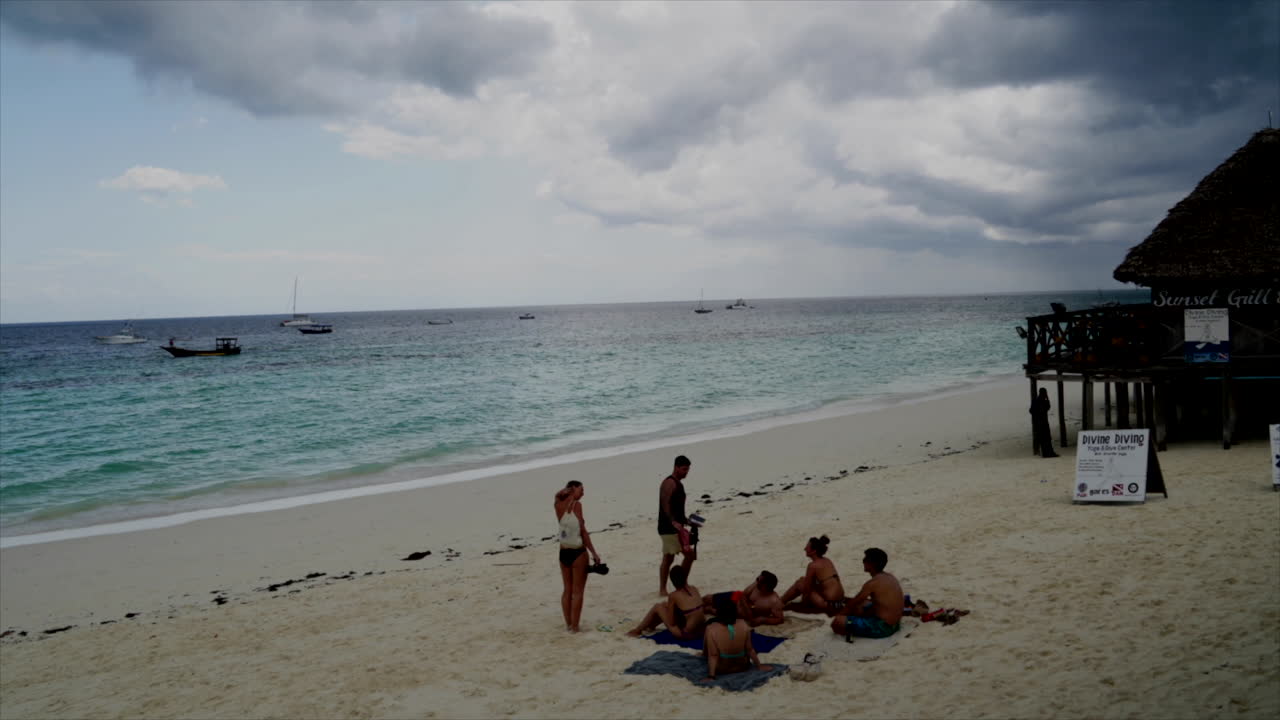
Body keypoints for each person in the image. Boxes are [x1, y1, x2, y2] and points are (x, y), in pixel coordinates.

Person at [554, 480, 601, 633]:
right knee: (578, 591)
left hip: (563, 551)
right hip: (577, 552)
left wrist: (564, 492)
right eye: (581, 489)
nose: (583, 493)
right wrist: (594, 553)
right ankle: (575, 626)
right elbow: (583, 531)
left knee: (567, 590)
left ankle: (568, 624)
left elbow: (557, 495)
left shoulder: (557, 504)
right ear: (572, 489)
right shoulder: (577, 505)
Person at [830, 547, 904, 640]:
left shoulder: (872, 584)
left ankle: (851, 628)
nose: (863, 561)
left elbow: (852, 605)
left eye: (865, 559)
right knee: (862, 604)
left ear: (872, 564)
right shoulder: (889, 577)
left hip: (884, 628)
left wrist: (840, 616)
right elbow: (858, 601)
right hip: (895, 624)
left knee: (838, 622)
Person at [701, 592, 773, 682]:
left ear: (718, 613)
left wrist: (711, 676)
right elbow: (750, 649)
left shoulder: (711, 629)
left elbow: (713, 655)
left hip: (722, 669)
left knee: (710, 646)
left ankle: (703, 655)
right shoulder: (743, 624)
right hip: (743, 666)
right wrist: (759, 665)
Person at [627, 565, 704, 639]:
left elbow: (671, 622)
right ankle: (651, 625)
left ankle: (637, 630)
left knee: (658, 607)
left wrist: (666, 609)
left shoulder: (673, 595)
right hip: (701, 631)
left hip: (686, 634)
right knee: (667, 606)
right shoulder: (694, 588)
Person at [657, 455, 695, 595]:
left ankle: (682, 583)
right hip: (668, 528)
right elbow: (664, 503)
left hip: (677, 526)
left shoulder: (679, 484)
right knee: (669, 558)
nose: (686, 472)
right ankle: (663, 589)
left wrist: (687, 521)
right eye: (684, 469)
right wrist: (673, 521)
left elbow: (677, 509)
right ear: (676, 467)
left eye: (688, 469)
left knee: (687, 555)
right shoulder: (669, 483)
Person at [780, 535, 845, 615]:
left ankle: (780, 603)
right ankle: (781, 601)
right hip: (840, 602)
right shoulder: (827, 560)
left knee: (800, 583)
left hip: (829, 605)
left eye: (807, 547)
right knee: (803, 580)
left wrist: (803, 605)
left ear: (814, 551)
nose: (804, 549)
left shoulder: (813, 565)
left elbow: (807, 591)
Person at [1030, 387, 1059, 458]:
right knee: (1046, 438)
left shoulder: (1036, 400)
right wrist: (1047, 399)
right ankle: (1049, 453)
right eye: (1045, 393)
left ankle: (1047, 453)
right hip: (1043, 423)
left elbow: (1032, 410)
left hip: (1040, 422)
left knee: (1045, 438)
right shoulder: (1041, 400)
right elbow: (1048, 407)